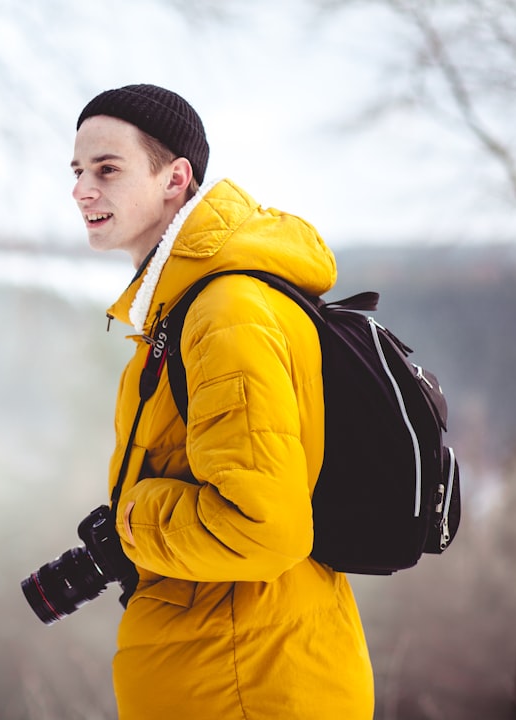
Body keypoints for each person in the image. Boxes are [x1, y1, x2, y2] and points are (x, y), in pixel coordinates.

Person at [71, 84, 375, 718]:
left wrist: (132, 521)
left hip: (248, 685)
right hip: (230, 671)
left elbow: (263, 529)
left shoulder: (223, 312)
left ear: (175, 177)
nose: (82, 190)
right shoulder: (185, 309)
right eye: (78, 172)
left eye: (107, 169)